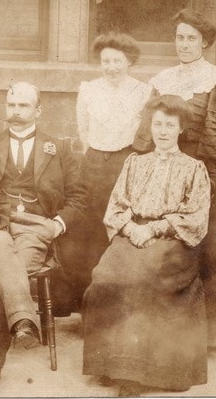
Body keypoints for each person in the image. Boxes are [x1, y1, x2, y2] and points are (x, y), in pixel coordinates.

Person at [0, 82, 88, 395]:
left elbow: (79, 196)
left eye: (24, 106)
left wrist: (58, 223)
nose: (16, 112)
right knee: (2, 251)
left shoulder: (59, 148)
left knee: (9, 271)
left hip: (37, 226)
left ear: (38, 110)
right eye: (11, 105)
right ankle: (23, 324)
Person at [82, 95, 211, 394]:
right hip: (133, 234)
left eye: (169, 125)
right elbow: (115, 206)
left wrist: (154, 228)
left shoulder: (194, 168)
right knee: (105, 277)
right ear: (149, 126)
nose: (162, 131)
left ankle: (136, 374)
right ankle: (108, 364)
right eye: (157, 124)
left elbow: (196, 218)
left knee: (143, 278)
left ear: (180, 129)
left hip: (173, 241)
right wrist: (130, 227)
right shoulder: (134, 162)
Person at [133, 8, 216, 347]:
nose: (184, 44)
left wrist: (200, 176)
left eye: (191, 39)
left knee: (204, 246)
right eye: (180, 38)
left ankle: (207, 334)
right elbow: (148, 132)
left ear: (205, 43)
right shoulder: (162, 80)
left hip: (202, 170)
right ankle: (165, 326)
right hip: (164, 170)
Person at [52, 31, 153, 316]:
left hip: (125, 162)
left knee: (120, 227)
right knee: (87, 231)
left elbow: (144, 133)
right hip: (93, 164)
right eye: (106, 60)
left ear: (129, 61)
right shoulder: (89, 89)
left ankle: (117, 306)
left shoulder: (142, 92)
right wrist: (95, 154)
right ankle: (85, 303)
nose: (111, 66)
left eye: (117, 61)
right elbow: (82, 129)